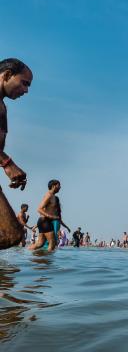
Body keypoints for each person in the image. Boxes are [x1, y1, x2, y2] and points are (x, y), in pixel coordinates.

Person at [0, 58, 32, 249]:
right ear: (7, 75)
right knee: (11, 234)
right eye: (24, 83)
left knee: (11, 235)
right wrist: (7, 163)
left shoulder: (3, 106)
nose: (26, 90)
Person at [29, 180, 70, 251]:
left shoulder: (53, 196)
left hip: (44, 221)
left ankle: (28, 255)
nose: (60, 187)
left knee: (40, 244)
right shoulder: (49, 195)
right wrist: (51, 217)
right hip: (45, 221)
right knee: (52, 243)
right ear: (53, 186)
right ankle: (48, 261)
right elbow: (39, 209)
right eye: (58, 185)